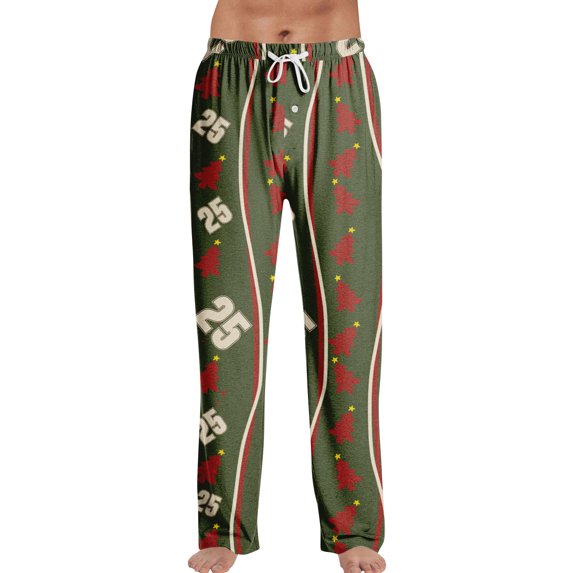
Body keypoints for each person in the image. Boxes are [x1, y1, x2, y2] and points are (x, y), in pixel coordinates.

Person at [188, 1, 385, 572]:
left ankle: (354, 526)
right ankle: (223, 524)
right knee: (227, 319)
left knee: (349, 314)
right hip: (232, 82)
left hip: (337, 79)